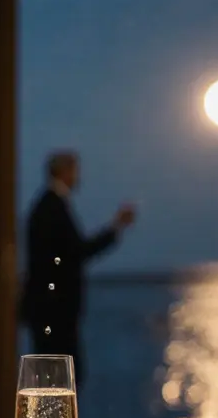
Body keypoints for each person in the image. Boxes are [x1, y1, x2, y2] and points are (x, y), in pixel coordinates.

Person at [23, 151, 135, 384]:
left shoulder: (48, 204)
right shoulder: (52, 206)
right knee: (62, 379)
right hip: (55, 310)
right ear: (64, 171)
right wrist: (115, 227)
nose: (78, 177)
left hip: (49, 309)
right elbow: (76, 252)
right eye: (75, 171)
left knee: (58, 377)